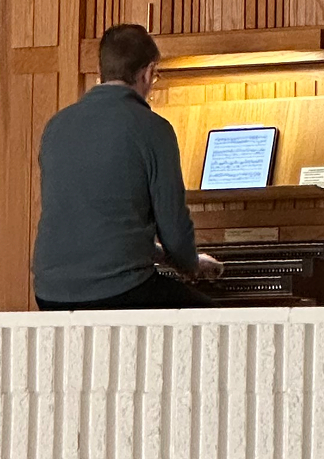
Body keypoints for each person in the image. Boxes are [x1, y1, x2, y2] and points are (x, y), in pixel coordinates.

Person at [32, 23, 224, 309]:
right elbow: (173, 226)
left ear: (102, 71)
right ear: (147, 72)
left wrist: (161, 256)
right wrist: (189, 264)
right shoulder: (153, 129)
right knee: (221, 327)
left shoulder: (56, 126)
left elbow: (99, 228)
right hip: (119, 291)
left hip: (50, 293)